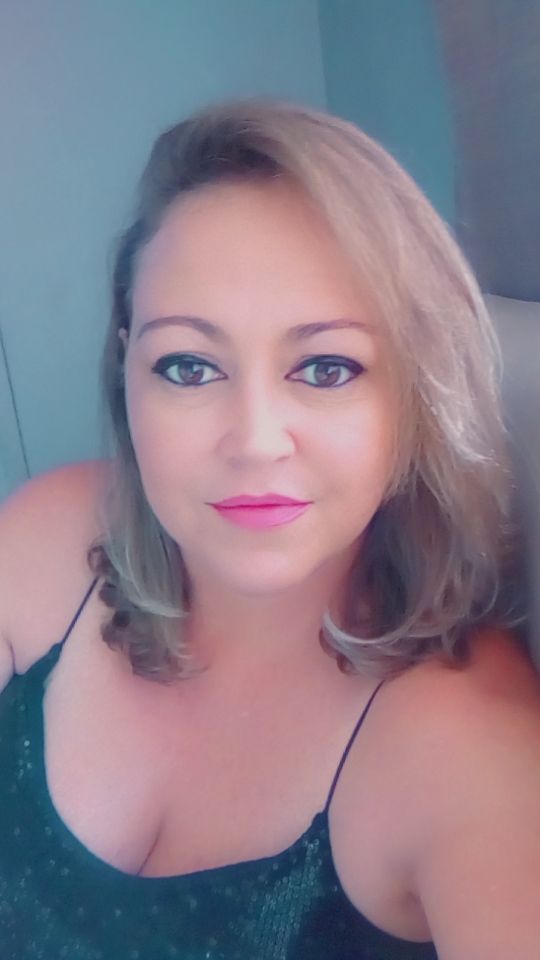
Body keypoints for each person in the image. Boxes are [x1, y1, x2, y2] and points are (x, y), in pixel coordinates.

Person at [1, 96, 540, 960]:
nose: (254, 440)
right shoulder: (52, 540)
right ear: (126, 369)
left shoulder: (467, 749)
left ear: (415, 391)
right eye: (189, 366)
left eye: (326, 368)